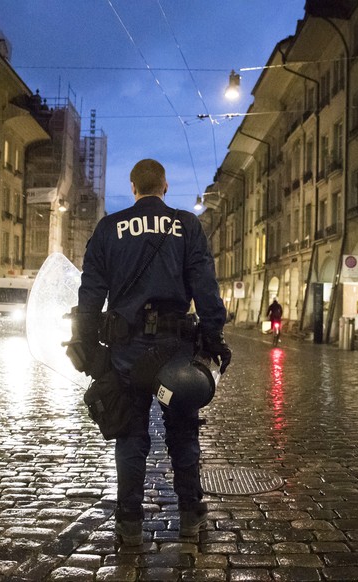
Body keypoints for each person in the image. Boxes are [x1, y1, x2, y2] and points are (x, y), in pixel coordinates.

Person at [67, 159, 232, 546]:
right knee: (183, 434)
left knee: (130, 436)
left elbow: (89, 294)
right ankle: (191, 515)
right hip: (177, 351)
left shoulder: (109, 228)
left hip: (126, 353)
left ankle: (129, 523)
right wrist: (214, 338)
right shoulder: (187, 226)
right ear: (165, 186)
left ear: (133, 186)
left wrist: (85, 344)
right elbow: (206, 287)